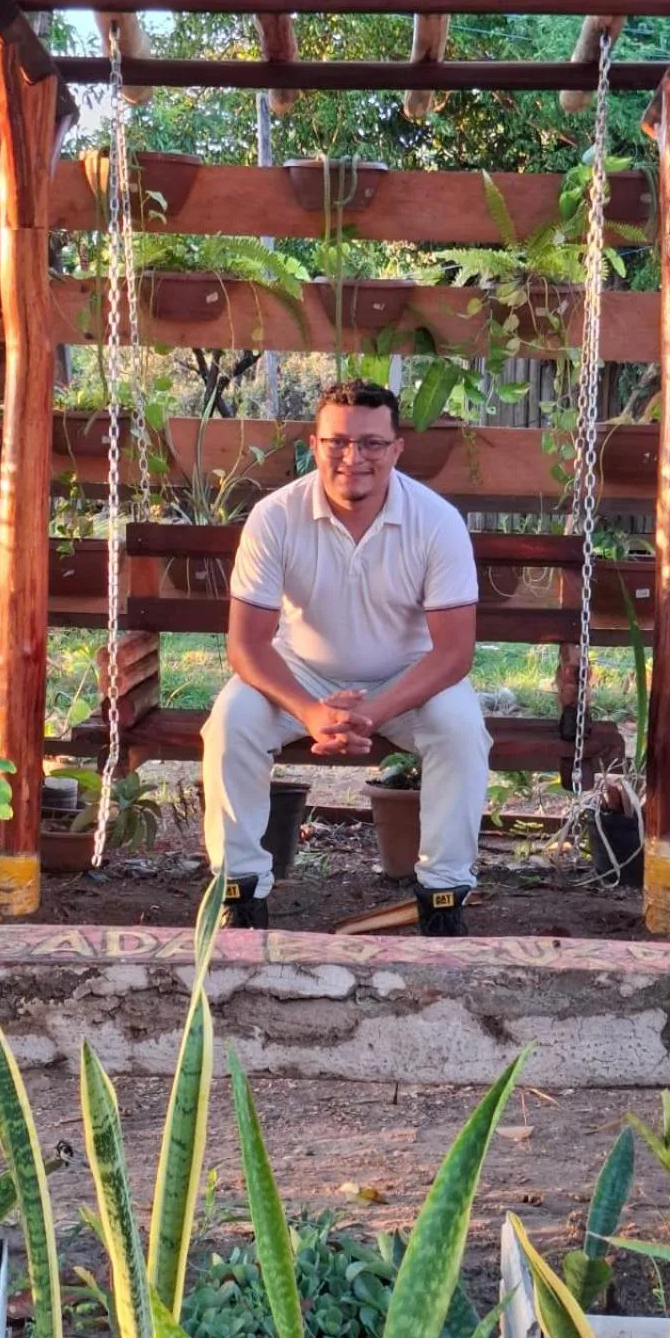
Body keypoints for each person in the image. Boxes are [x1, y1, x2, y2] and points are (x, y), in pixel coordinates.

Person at [201, 380, 491, 935]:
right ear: (314, 444)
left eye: (372, 444)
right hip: (299, 673)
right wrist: (311, 711)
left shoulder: (436, 521)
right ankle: (241, 894)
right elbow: (247, 644)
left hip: (409, 677)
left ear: (397, 448)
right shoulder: (275, 516)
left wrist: (372, 713)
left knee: (459, 728)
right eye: (337, 442)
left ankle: (443, 895)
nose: (352, 458)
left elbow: (454, 653)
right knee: (230, 725)